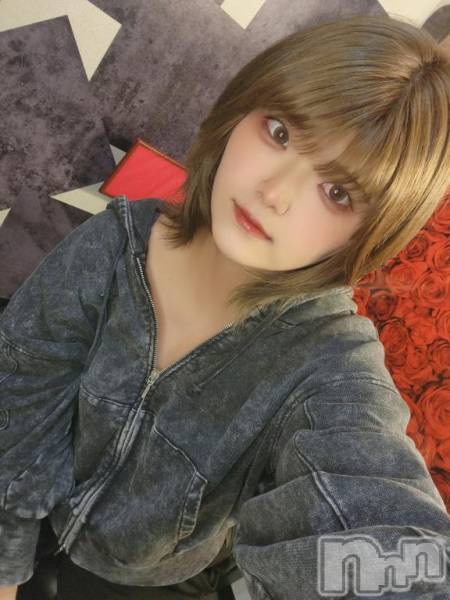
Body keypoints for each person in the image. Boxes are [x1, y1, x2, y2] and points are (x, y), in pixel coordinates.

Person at [1, 12, 450, 600]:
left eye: (338, 192)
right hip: (33, 512)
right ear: (241, 109)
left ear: (371, 232)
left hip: (155, 579)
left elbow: (377, 524)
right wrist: (6, 569)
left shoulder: (327, 364)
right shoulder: (114, 243)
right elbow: (20, 401)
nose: (275, 193)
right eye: (280, 132)